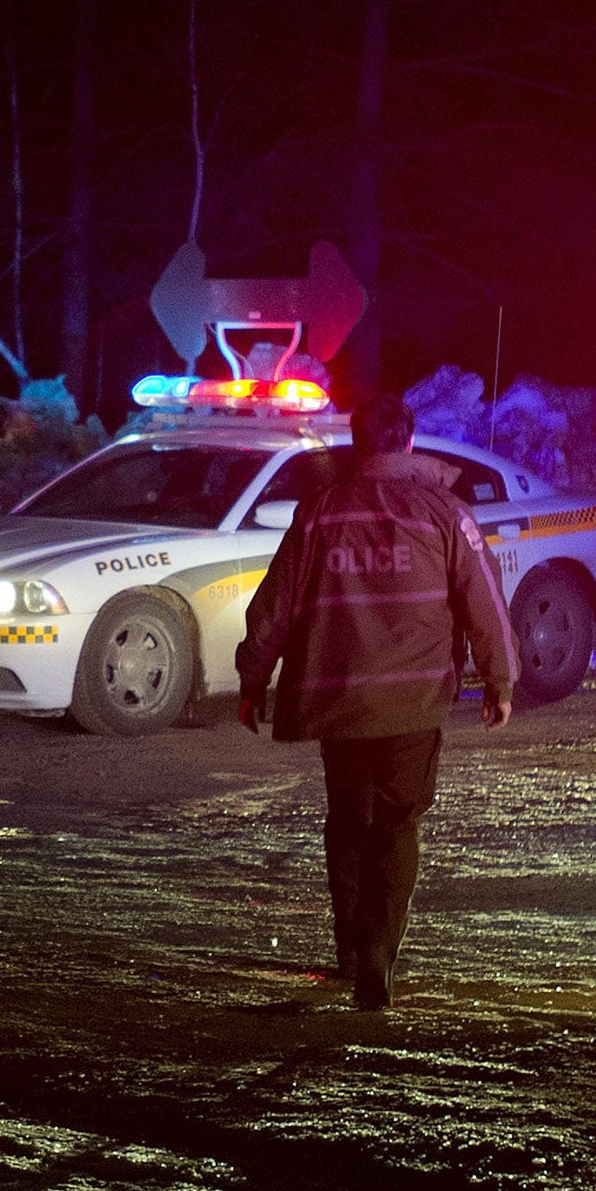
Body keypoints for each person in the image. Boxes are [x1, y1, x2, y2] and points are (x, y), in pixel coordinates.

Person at [235, 395, 520, 1010]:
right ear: (410, 443)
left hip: (337, 699)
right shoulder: (446, 513)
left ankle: (350, 947)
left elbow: (275, 604)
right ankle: (378, 954)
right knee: (396, 822)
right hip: (413, 702)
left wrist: (253, 679)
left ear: (358, 443)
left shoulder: (320, 512)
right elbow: (486, 603)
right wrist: (500, 680)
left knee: (348, 816)